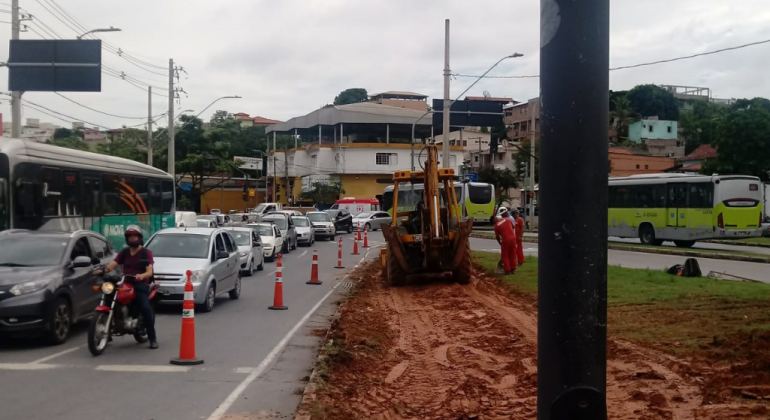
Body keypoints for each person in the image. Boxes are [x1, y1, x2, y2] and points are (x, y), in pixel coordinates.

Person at [97, 225, 158, 349]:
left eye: (134, 236)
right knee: (109, 297)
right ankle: (108, 332)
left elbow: (149, 271)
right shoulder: (124, 252)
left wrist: (142, 275)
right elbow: (113, 264)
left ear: (139, 238)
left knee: (145, 307)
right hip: (125, 281)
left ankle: (152, 338)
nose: (132, 239)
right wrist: (104, 269)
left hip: (140, 283)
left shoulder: (146, 253)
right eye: (130, 237)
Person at [494, 209, 518, 274]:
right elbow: (513, 227)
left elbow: (497, 237)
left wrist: (500, 243)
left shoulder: (496, 226)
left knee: (505, 255)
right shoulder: (508, 220)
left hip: (505, 240)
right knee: (513, 254)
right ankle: (513, 269)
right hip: (513, 238)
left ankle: (507, 270)